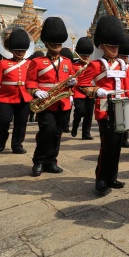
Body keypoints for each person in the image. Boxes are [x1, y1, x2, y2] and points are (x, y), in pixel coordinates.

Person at [77, 15, 129, 195]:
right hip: (105, 110)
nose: (115, 49)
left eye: (116, 45)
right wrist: (95, 91)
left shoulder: (123, 65)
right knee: (107, 145)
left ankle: (112, 177)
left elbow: (127, 87)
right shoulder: (96, 65)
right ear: (102, 46)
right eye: (111, 46)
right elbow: (81, 83)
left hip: (122, 108)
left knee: (117, 145)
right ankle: (100, 178)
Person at [26, 17, 74, 176]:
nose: (57, 47)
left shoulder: (67, 62)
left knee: (57, 134)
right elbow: (30, 81)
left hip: (63, 103)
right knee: (47, 131)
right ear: (46, 44)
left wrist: (74, 82)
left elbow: (73, 79)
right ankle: (38, 161)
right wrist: (35, 91)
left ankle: (51, 161)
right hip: (45, 103)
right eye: (54, 44)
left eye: (59, 44)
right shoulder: (38, 62)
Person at [0, 28, 33, 154]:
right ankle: (2, 138)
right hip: (5, 98)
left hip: (24, 97)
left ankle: (17, 145)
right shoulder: (2, 64)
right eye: (17, 50)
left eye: (22, 50)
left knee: (21, 123)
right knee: (3, 121)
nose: (20, 52)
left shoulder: (30, 63)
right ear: (12, 49)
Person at [71, 37, 95, 140]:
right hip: (78, 91)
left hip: (89, 92)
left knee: (89, 114)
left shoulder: (92, 65)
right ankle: (75, 125)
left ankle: (86, 133)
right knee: (80, 111)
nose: (85, 57)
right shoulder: (73, 65)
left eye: (87, 55)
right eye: (83, 55)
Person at [118, 36, 129, 148]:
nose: (126, 58)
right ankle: (120, 139)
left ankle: (125, 139)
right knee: (120, 120)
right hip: (120, 95)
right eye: (123, 56)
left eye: (127, 56)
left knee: (127, 120)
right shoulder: (117, 66)